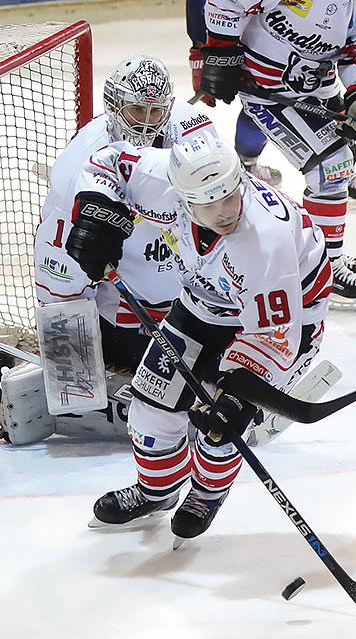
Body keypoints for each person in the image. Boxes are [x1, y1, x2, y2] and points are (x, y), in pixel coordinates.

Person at [65, 133, 330, 542]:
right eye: (208, 203)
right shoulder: (161, 180)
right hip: (203, 302)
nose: (224, 211)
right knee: (150, 409)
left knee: (221, 426)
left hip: (284, 321)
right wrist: (95, 211)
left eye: (229, 195)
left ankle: (207, 494)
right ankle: (157, 492)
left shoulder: (264, 242)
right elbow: (108, 160)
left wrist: (239, 397)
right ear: (182, 195)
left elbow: (275, 334)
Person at [196, 0, 356, 311]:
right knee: (331, 165)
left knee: (343, 156)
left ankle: (320, 250)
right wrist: (221, 52)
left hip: (319, 87)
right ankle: (321, 269)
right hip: (265, 85)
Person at [34, 54, 211, 371]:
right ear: (114, 106)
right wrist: (72, 365)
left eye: (155, 111)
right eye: (138, 109)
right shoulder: (80, 164)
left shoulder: (194, 134)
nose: (146, 121)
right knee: (179, 369)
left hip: (188, 292)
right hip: (127, 311)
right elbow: (58, 268)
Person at [186, 0, 356, 205]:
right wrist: (211, 53)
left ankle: (338, 167)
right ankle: (247, 164)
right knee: (267, 110)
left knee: (337, 130)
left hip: (319, 71)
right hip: (264, 65)